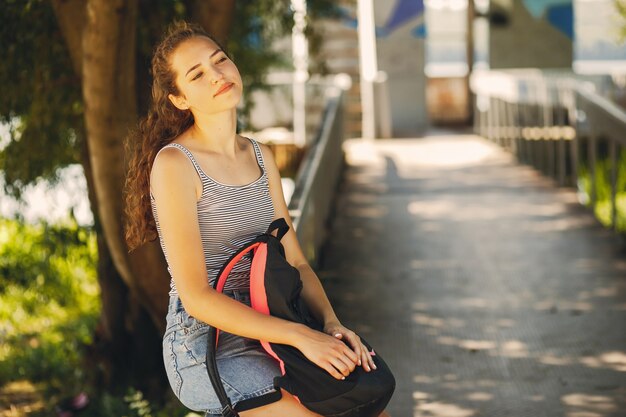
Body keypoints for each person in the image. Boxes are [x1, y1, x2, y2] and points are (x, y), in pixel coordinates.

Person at [123, 21, 392, 416]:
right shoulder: (176, 164)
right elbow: (197, 297)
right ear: (179, 99)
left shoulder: (261, 156)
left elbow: (297, 261)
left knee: (371, 406)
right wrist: (302, 337)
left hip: (275, 320)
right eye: (197, 74)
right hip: (207, 343)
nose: (217, 75)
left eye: (220, 60)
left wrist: (331, 324)